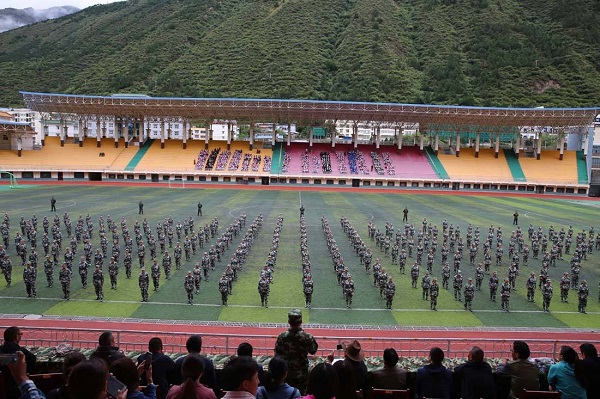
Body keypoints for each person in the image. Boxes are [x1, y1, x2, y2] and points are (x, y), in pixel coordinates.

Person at [274, 309, 318, 394]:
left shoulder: (282, 337)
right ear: (301, 321)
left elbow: (277, 354)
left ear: (289, 321)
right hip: (302, 374)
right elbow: (313, 350)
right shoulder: (307, 337)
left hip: (286, 373)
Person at [0, 327, 38, 399]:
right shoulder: (21, 352)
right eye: (20, 334)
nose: (21, 335)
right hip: (17, 388)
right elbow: (33, 359)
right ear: (17, 337)